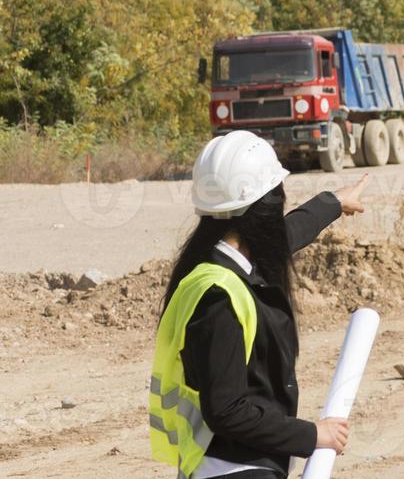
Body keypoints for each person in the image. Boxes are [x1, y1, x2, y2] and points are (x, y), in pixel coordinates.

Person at [150, 130, 371, 478]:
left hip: (223, 465)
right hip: (234, 469)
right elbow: (227, 410)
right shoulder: (219, 298)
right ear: (265, 209)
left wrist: (333, 203)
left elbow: (283, 237)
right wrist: (314, 435)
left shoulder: (214, 263)